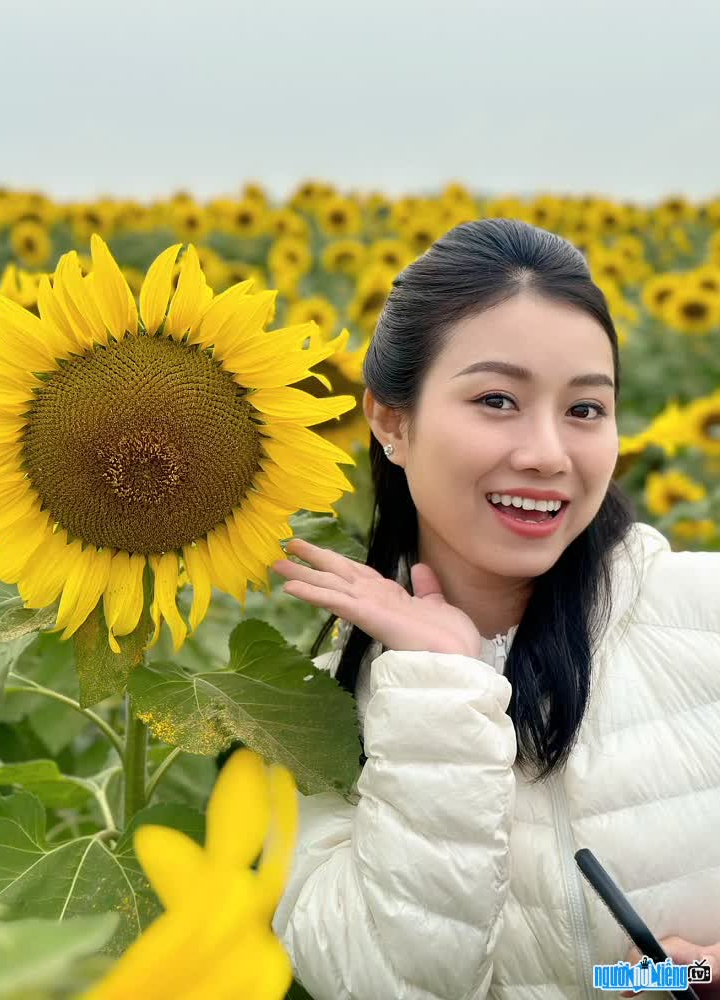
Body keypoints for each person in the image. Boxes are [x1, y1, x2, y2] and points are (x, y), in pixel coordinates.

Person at [269, 219, 720, 999]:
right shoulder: (304, 718)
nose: (547, 452)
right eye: (497, 399)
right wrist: (440, 688)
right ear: (388, 421)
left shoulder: (704, 618)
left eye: (584, 410)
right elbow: (379, 982)